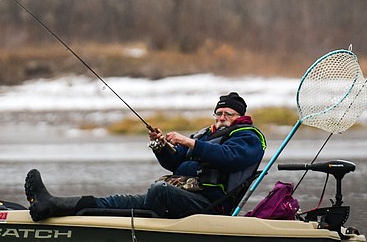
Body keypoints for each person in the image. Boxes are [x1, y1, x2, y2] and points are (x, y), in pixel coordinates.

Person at [24, 92, 266, 220]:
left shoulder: (249, 136)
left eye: (228, 114)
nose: (222, 117)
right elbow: (176, 163)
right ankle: (53, 205)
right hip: (187, 195)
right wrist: (161, 146)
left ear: (240, 116)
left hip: (213, 205)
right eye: (219, 112)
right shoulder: (206, 133)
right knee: (122, 199)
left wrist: (189, 141)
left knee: (159, 192)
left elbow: (230, 157)